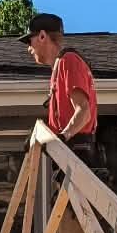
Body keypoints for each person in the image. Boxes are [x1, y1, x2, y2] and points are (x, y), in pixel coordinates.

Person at [22, 13, 99, 163]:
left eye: (29, 41)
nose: (29, 49)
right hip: (70, 151)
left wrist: (63, 137)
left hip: (78, 152)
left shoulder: (68, 60)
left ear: (42, 36)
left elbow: (84, 111)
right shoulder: (58, 68)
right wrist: (39, 136)